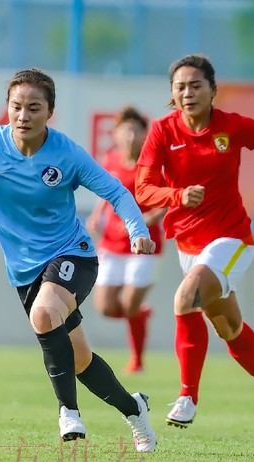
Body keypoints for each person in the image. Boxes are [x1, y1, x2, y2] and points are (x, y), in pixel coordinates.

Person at [0, 68, 158, 452]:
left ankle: (68, 412)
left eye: (33, 108)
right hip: (25, 271)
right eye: (16, 107)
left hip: (73, 254)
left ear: (50, 112)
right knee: (80, 360)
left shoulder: (66, 153)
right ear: (7, 108)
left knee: (43, 315)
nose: (23, 116)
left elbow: (116, 191)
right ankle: (134, 409)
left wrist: (137, 230)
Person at [135, 54, 254, 428]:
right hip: (188, 245)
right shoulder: (162, 131)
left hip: (232, 239)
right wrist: (177, 196)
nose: (188, 93)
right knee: (228, 328)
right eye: (180, 87)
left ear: (213, 90)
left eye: (196, 85)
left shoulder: (234, 127)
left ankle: (187, 397)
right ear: (172, 94)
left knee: (185, 298)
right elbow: (143, 189)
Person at [86, 106, 166, 374]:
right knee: (106, 307)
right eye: (125, 130)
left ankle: (137, 360)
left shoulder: (152, 164)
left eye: (135, 130)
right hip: (111, 244)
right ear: (116, 134)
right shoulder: (110, 160)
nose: (130, 136)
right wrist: (96, 216)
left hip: (144, 246)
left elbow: (166, 201)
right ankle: (142, 314)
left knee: (130, 305)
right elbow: (105, 193)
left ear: (144, 134)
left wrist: (143, 223)